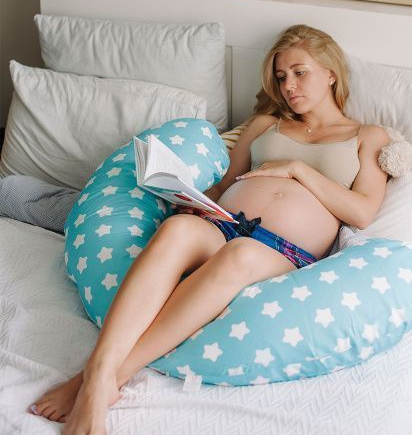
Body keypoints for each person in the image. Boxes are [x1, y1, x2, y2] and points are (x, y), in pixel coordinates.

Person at [28, 25, 389, 434]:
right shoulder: (264, 125)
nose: (288, 85)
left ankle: (102, 379)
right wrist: (193, 198)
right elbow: (224, 184)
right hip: (225, 224)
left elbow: (362, 211)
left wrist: (298, 169)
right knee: (177, 229)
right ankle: (99, 370)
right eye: (281, 77)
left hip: (283, 250)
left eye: (299, 72)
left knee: (239, 255)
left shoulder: (367, 136)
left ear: (331, 74)